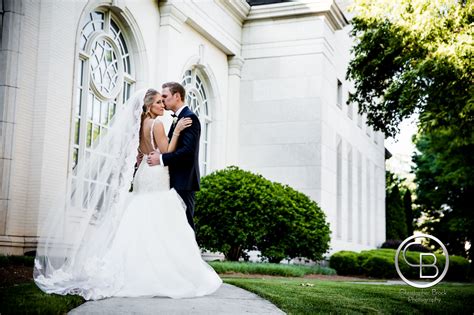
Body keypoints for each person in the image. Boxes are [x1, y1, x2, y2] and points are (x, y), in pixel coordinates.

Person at [34, 89, 222, 300]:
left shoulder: (140, 125)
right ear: (149, 105)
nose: (162, 105)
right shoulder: (157, 124)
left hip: (143, 173)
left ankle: (136, 267)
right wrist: (177, 131)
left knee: (143, 217)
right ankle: (157, 271)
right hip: (156, 174)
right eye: (159, 102)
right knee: (158, 218)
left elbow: (140, 152)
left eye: (163, 101)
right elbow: (167, 150)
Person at [147, 82, 200, 231]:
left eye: (165, 96)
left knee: (185, 227)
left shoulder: (190, 118)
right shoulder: (177, 119)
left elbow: (187, 153)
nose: (162, 100)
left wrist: (161, 159)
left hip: (183, 181)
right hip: (171, 180)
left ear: (177, 96)